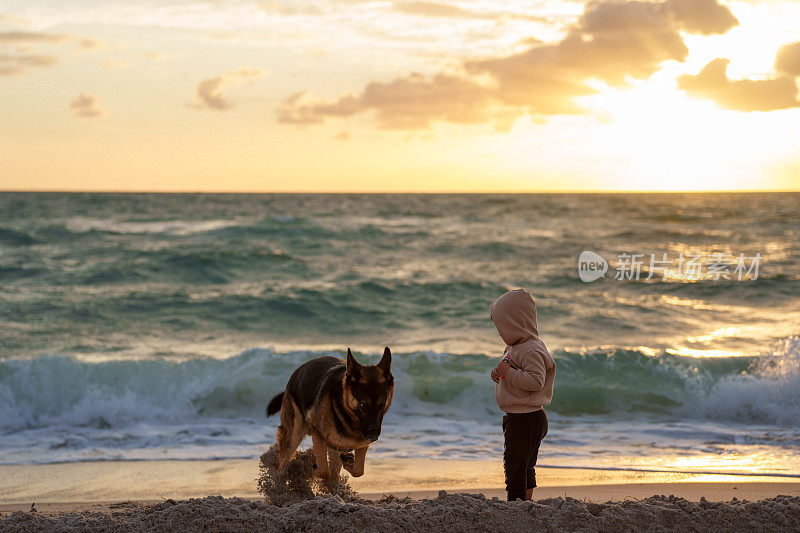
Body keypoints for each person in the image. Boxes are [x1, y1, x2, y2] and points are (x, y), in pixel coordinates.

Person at [489, 288, 556, 501]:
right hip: (520, 417)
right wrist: (499, 373)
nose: (500, 332)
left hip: (526, 419)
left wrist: (510, 373)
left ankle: (516, 505)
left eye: (502, 326)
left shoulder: (531, 350)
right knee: (524, 465)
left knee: (516, 467)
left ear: (517, 323)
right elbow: (511, 370)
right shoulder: (515, 348)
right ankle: (525, 503)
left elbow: (536, 381)